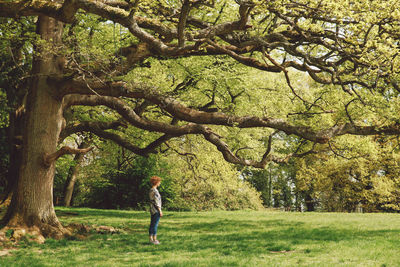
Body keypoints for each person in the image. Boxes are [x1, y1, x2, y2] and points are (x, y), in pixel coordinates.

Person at [149, 176, 163, 245]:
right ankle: (154, 239)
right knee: (155, 224)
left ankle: (150, 238)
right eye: (159, 182)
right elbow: (157, 202)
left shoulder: (151, 190)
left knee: (152, 224)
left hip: (152, 209)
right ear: (157, 182)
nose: (160, 183)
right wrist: (160, 210)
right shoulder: (155, 191)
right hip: (156, 210)